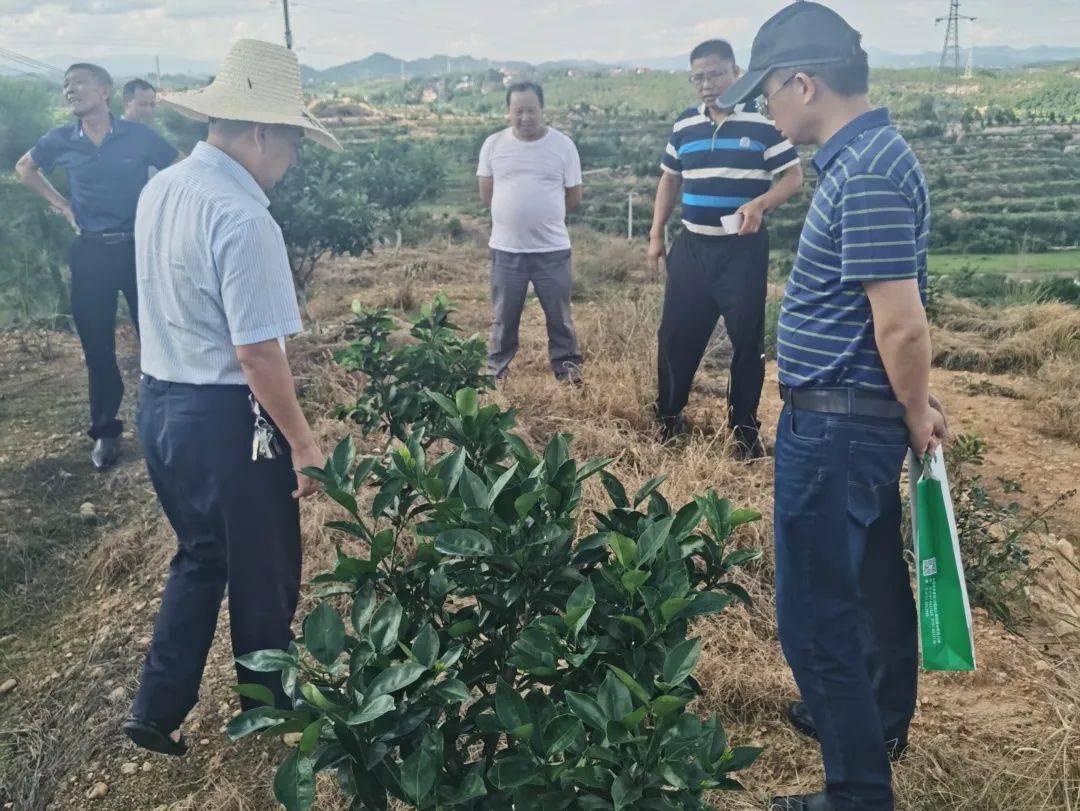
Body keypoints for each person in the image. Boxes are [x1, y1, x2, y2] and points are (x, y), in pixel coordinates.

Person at [716, 3, 947, 809]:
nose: (768, 113)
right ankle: (875, 718)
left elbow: (901, 318)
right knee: (873, 580)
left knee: (817, 612)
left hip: (839, 423)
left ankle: (856, 790)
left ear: (802, 83)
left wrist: (917, 410)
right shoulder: (867, 157)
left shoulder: (871, 170)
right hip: (854, 415)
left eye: (769, 95)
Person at [122, 39, 340, 757]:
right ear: (258, 132)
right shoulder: (244, 219)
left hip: (160, 407)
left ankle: (156, 708)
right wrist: (305, 444)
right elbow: (256, 353)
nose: (294, 159)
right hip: (223, 421)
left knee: (201, 553)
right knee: (266, 563)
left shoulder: (164, 186)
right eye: (292, 141)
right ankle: (269, 706)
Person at [15, 63, 179, 471]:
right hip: (89, 253)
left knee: (155, 334)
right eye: (66, 86)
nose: (70, 91)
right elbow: (25, 167)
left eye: (79, 83)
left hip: (139, 250)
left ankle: (164, 418)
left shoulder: (137, 136)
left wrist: (162, 214)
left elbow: (180, 164)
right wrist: (61, 204)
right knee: (97, 347)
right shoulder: (60, 140)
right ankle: (106, 432)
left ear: (105, 91)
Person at [647, 39, 802, 455]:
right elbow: (669, 180)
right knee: (676, 336)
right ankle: (667, 419)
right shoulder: (684, 125)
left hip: (742, 252)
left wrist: (760, 203)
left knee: (747, 343)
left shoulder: (763, 124)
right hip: (692, 249)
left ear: (735, 73)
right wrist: (655, 234)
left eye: (715, 74)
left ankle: (744, 433)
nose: (706, 84)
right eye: (698, 76)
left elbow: (793, 177)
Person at [477, 81, 585, 383]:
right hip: (506, 249)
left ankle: (568, 373)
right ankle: (495, 375)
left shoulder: (563, 145)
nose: (525, 117)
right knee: (504, 318)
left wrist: (541, 217)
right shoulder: (493, 145)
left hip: (551, 250)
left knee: (560, 318)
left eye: (531, 110)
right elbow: (487, 195)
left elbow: (574, 197)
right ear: (508, 112)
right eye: (518, 111)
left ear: (542, 109)